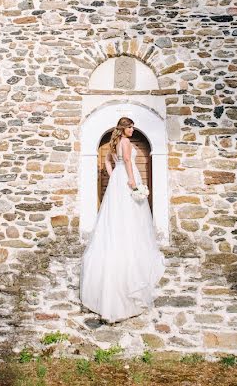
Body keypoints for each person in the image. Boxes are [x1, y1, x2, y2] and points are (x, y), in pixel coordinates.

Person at [79, 117, 166, 322]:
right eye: (130, 127)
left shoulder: (114, 143)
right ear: (124, 129)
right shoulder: (125, 143)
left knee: (116, 215)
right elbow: (127, 161)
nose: (133, 130)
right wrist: (132, 181)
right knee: (131, 215)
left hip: (117, 181)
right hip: (127, 178)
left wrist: (113, 176)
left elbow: (108, 161)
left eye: (133, 126)